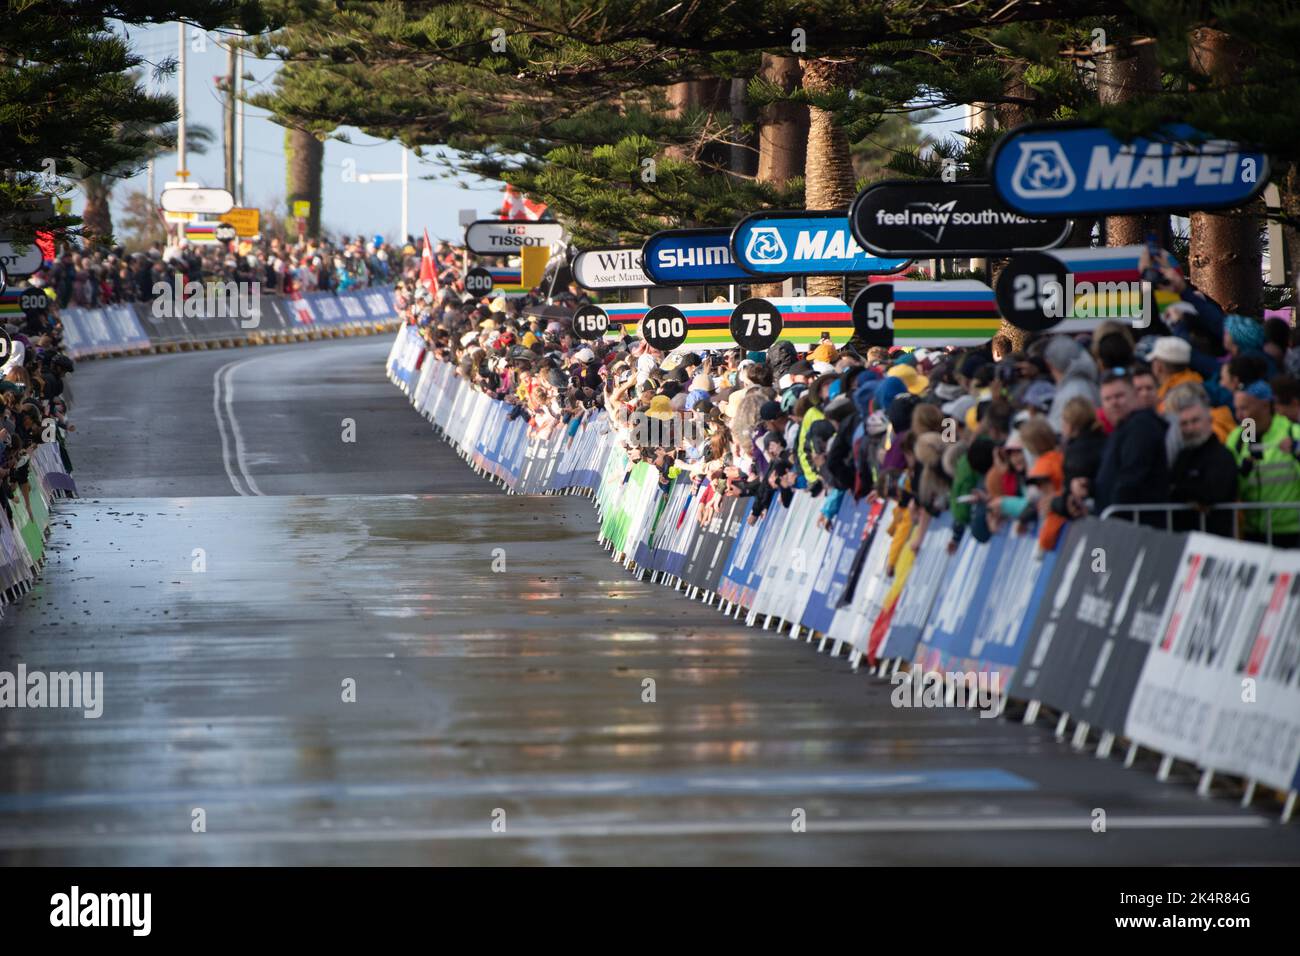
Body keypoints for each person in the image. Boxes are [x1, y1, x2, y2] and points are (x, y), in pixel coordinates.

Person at [1225, 379, 1300, 547]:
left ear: (1265, 406)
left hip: (1291, 531)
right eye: (1236, 409)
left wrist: (1296, 452)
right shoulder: (1241, 436)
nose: (1239, 415)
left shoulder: (1291, 432)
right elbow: (1231, 484)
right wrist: (1242, 471)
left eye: (1244, 408)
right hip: (1253, 531)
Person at [1093, 370, 1170, 526]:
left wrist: (1114, 516)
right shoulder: (1121, 429)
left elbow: (1132, 475)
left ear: (1134, 396)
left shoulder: (1141, 426)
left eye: (1119, 396)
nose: (1114, 403)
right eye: (1108, 399)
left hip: (1135, 527)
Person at [1165, 383, 1239, 537]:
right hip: (1184, 537)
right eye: (1184, 424)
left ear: (1209, 420)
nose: (1190, 428)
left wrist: (1181, 491)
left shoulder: (1222, 455)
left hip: (1214, 537)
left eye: (1195, 421)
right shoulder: (1181, 455)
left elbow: (1213, 492)